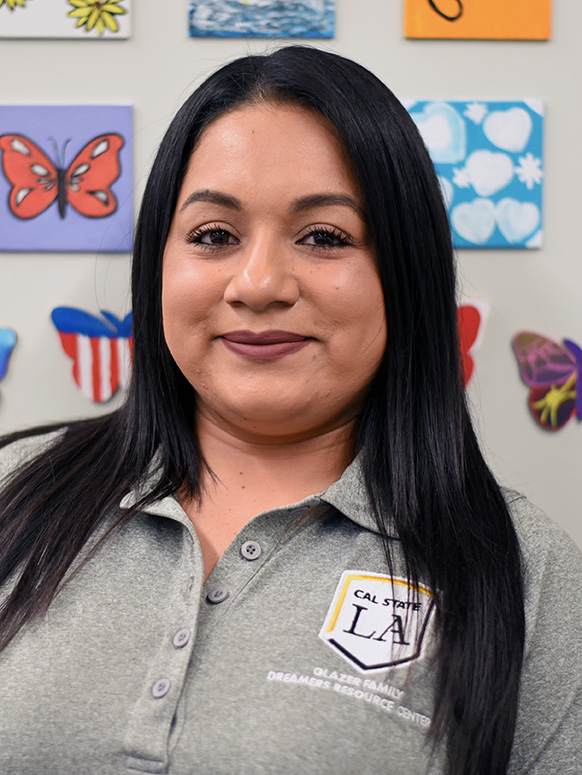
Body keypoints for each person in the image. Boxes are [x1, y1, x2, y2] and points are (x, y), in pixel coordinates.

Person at [0, 46, 580, 775]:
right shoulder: (14, 488)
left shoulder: (524, 568)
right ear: (158, 264)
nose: (260, 283)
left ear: (404, 274)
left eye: (324, 237)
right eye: (214, 235)